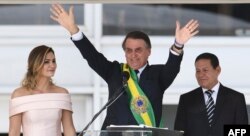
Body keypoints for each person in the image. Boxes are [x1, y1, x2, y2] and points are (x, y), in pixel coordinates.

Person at [50, 4, 199, 129]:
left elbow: (173, 67)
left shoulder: (158, 74)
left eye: (138, 50)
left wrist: (178, 44)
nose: (133, 55)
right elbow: (92, 56)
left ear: (149, 52)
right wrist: (73, 30)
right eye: (129, 50)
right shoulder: (114, 71)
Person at [174, 52, 249, 136]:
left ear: (218, 70)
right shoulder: (186, 99)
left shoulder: (236, 98)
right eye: (198, 71)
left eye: (205, 70)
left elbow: (240, 133)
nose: (201, 75)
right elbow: (180, 134)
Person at [8, 45, 76, 136]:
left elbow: (69, 130)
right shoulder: (19, 95)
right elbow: (14, 133)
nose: (52, 65)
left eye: (54, 61)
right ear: (35, 65)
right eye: (46, 62)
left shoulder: (62, 93)